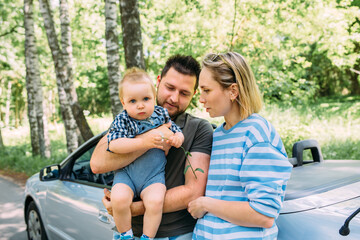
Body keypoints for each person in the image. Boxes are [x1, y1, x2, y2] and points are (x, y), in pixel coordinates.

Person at [90, 55, 214, 240]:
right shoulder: (128, 118)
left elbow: (193, 192)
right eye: (169, 87)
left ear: (194, 94)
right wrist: (151, 139)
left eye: (184, 93)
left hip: (178, 233)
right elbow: (97, 164)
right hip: (131, 232)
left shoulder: (199, 129)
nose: (173, 98)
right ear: (158, 81)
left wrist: (131, 208)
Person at [187, 52, 293, 240]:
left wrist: (205, 204)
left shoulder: (257, 134)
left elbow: (264, 214)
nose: (201, 99)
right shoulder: (219, 134)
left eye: (207, 90)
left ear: (233, 91)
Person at [107, 67, 185, 240]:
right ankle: (125, 235)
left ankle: (147, 237)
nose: (140, 105)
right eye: (133, 101)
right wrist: (144, 142)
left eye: (146, 99)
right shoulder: (123, 120)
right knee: (119, 199)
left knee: (156, 201)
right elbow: (113, 144)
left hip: (153, 176)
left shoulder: (161, 114)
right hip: (127, 174)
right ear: (123, 103)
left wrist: (178, 137)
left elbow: (175, 130)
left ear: (154, 97)